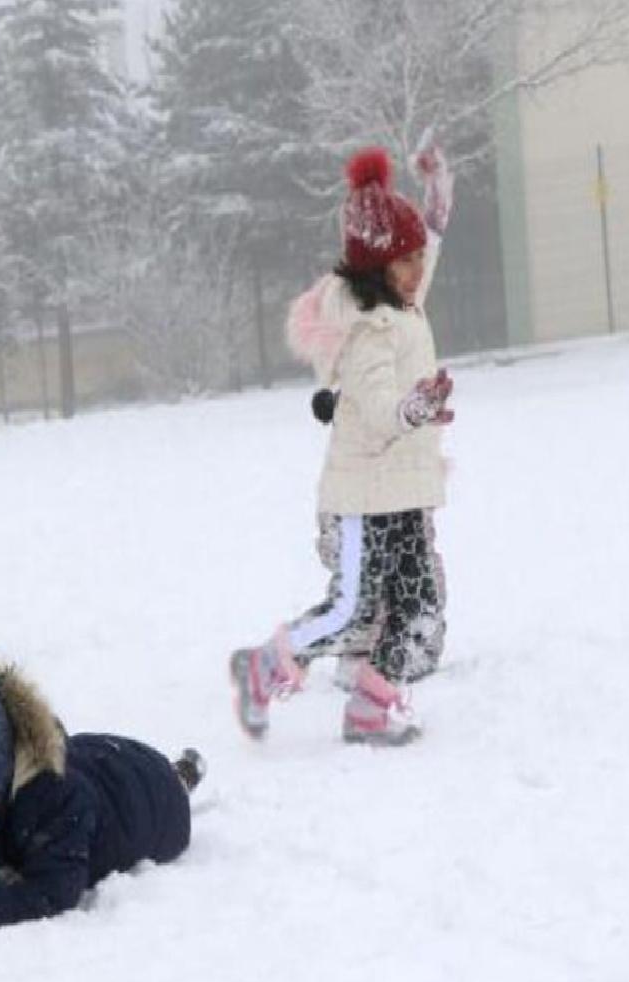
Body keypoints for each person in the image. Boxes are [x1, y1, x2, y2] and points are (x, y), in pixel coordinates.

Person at [231, 144, 457, 746]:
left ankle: (371, 706)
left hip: (406, 492)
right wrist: (415, 407)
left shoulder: (405, 305)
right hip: (363, 497)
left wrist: (437, 188)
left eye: (416, 260)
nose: (417, 269)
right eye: (404, 261)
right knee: (351, 608)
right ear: (376, 267)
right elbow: (383, 412)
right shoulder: (366, 330)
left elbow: (430, 239)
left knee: (417, 605)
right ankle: (265, 664)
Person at [0, 659, 201, 932]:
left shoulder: (54, 801)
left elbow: (54, 890)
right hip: (97, 757)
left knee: (170, 783)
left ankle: (184, 774)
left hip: (153, 797)